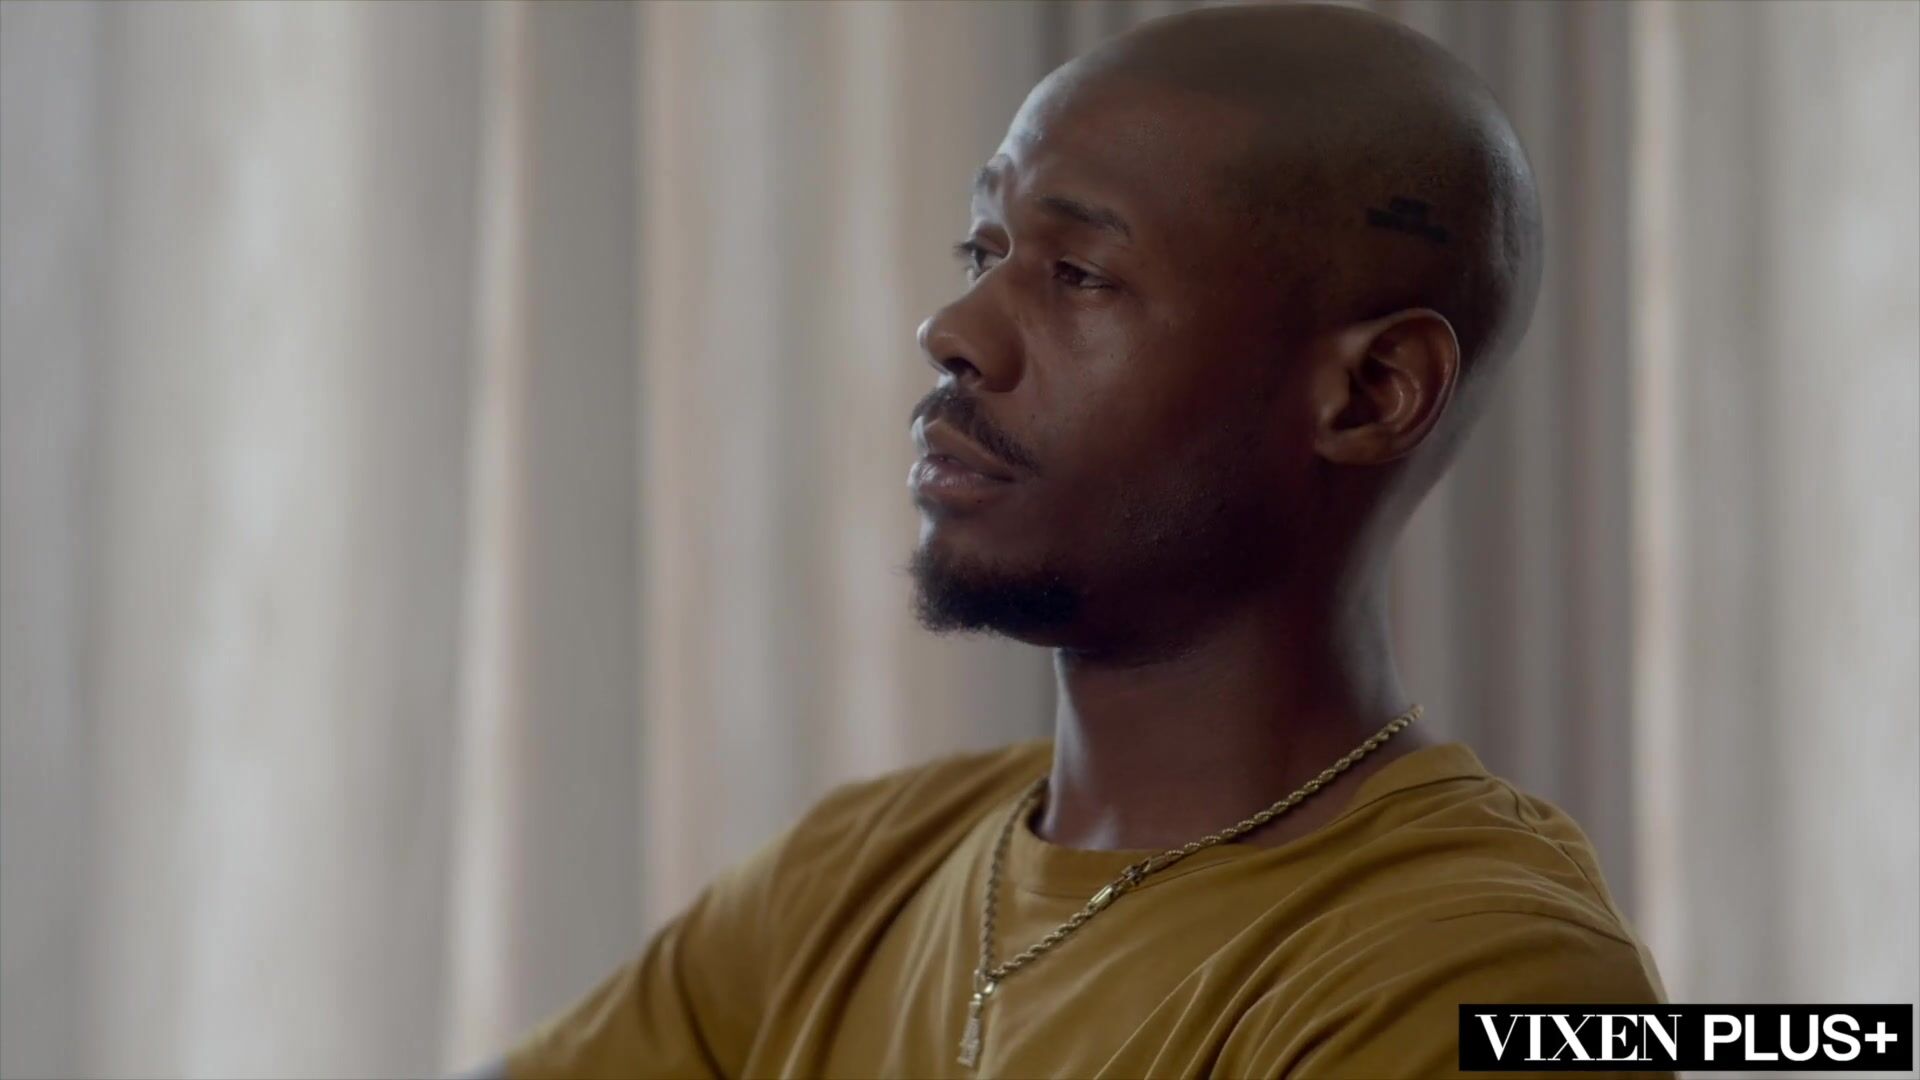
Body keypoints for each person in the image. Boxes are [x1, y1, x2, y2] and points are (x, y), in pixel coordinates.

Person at [483, 4, 1666, 1077]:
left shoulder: (1476, 973)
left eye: (1079, 274)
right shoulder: (852, 873)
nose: (954, 329)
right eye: (983, 253)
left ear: (1371, 393)